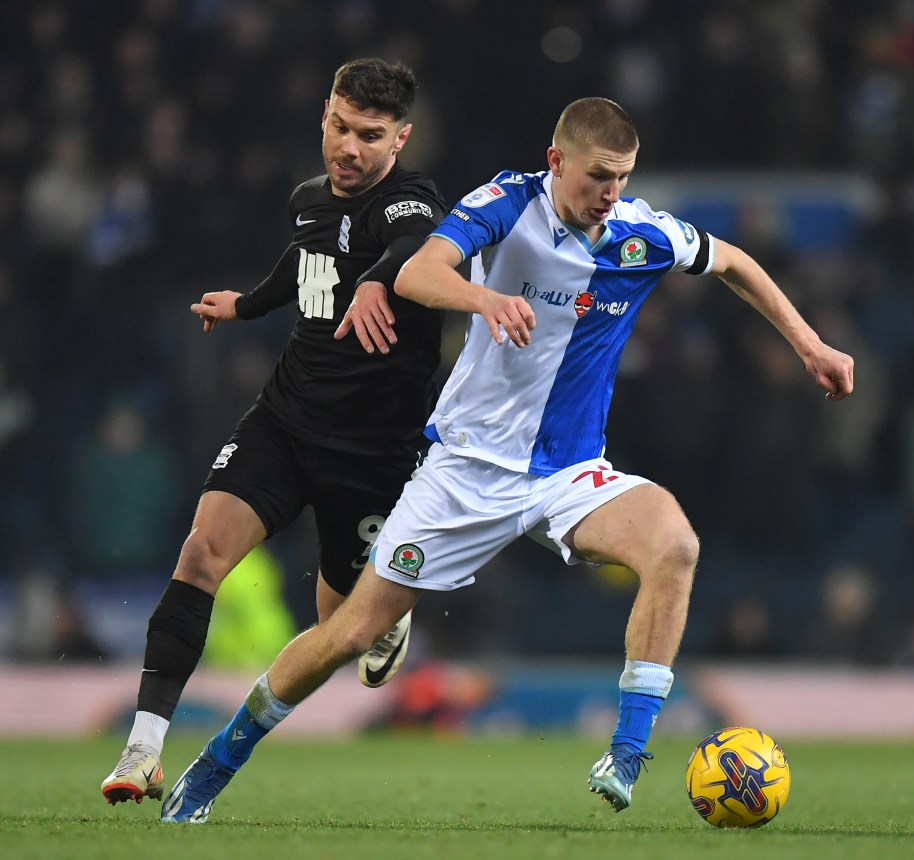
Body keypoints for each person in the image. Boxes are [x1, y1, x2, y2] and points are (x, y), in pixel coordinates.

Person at [158, 97, 854, 823]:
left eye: (622, 177)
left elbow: (733, 260)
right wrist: (483, 299)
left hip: (569, 474)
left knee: (674, 543)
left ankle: (625, 753)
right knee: (351, 634)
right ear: (557, 163)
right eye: (597, 177)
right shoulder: (506, 201)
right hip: (465, 469)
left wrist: (809, 345)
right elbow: (416, 274)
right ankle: (213, 767)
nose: (610, 193)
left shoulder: (640, 231)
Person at [101, 58, 451, 806]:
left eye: (370, 135)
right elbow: (303, 261)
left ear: (401, 139)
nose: (349, 148)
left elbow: (410, 247)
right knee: (201, 552)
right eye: (339, 126)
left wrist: (378, 280)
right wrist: (247, 305)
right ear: (324, 112)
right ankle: (143, 749)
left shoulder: (412, 202)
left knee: (342, 630)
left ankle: (385, 611)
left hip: (372, 456)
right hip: (286, 422)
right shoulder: (307, 201)